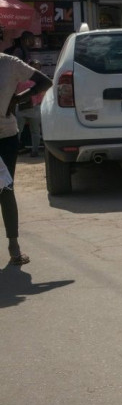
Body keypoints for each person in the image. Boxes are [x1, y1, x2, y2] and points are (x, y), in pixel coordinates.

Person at [0, 53, 52, 265]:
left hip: (5, 136)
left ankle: (14, 245)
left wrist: (18, 98)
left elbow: (44, 81)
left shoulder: (9, 63)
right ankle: (14, 248)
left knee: (5, 189)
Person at [15, 60, 46, 157]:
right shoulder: (21, 77)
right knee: (18, 131)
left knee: (34, 131)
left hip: (33, 107)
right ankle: (15, 150)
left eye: (37, 66)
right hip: (22, 107)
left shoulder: (22, 77)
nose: (36, 68)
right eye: (34, 66)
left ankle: (35, 151)